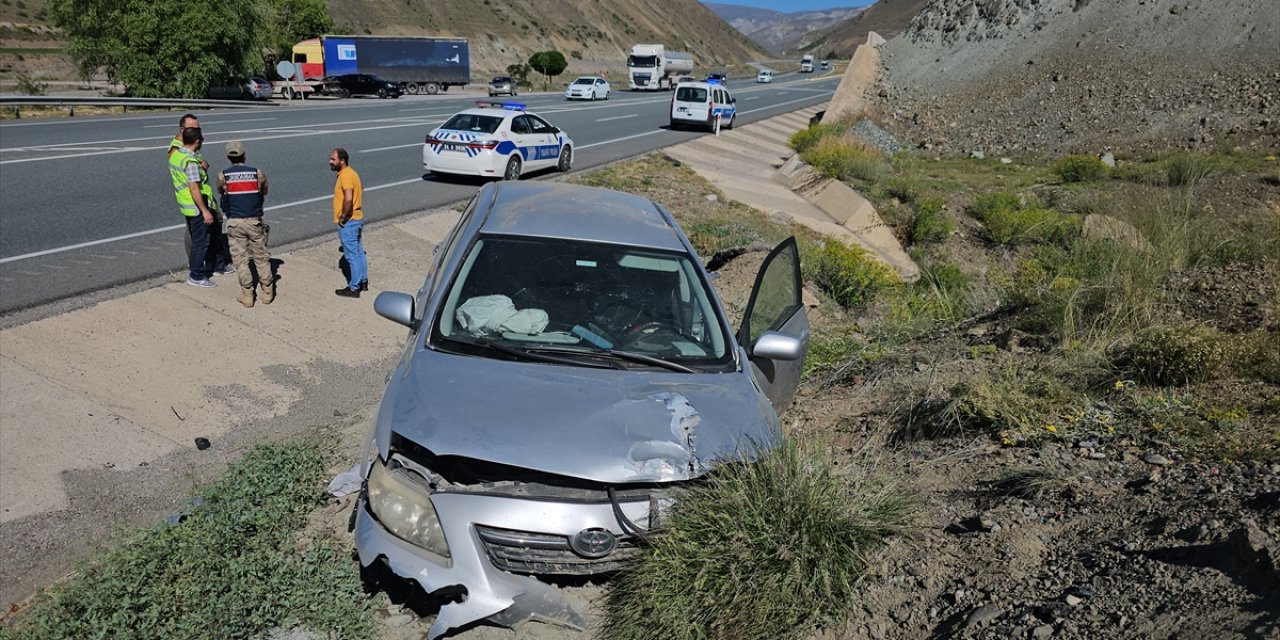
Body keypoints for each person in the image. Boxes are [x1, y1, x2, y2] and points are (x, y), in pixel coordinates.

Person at [168, 113, 233, 275]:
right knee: (199, 235)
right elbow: (189, 179)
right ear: (183, 130)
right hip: (196, 201)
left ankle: (215, 263)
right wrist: (204, 209)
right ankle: (198, 266)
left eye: (198, 128)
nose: (197, 131)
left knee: (213, 228)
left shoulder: (190, 148)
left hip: (203, 197)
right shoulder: (177, 148)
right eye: (193, 128)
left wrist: (202, 165)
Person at [217, 141, 275, 307]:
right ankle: (267, 292)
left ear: (228, 157)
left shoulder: (224, 175)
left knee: (240, 259)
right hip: (254, 221)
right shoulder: (257, 173)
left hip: (235, 222)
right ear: (244, 156)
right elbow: (264, 191)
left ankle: (248, 295)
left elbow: (221, 192)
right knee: (261, 256)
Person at [169, 127, 218, 287]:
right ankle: (196, 276)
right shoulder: (189, 162)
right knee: (201, 241)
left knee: (197, 238)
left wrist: (201, 167)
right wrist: (205, 211)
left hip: (185, 205)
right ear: (197, 142)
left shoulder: (177, 156)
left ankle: (197, 270)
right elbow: (194, 187)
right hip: (195, 206)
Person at [329, 148, 366, 298]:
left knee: (351, 256)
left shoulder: (345, 176)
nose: (330, 162)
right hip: (357, 219)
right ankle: (363, 281)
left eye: (333, 159)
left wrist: (343, 217)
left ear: (342, 161)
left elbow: (349, 198)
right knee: (358, 253)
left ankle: (354, 288)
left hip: (349, 222)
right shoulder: (352, 173)